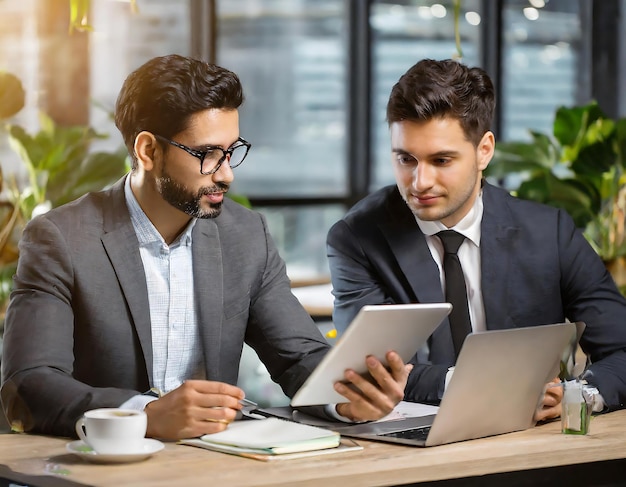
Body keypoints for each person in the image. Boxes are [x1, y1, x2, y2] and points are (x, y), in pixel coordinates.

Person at [0, 54, 410, 440]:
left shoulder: (245, 234)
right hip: (102, 469)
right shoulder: (61, 238)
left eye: (231, 152)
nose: (227, 174)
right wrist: (142, 416)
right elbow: (29, 383)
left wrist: (348, 397)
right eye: (207, 155)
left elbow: (298, 357)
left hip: (217, 464)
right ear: (148, 150)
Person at [327, 58, 626, 421]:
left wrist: (577, 395)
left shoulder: (550, 233)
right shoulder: (357, 238)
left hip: (531, 444)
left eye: (441, 160)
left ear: (484, 150)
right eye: (406, 159)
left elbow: (622, 349)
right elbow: (370, 370)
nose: (419, 181)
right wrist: (497, 386)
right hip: (416, 440)